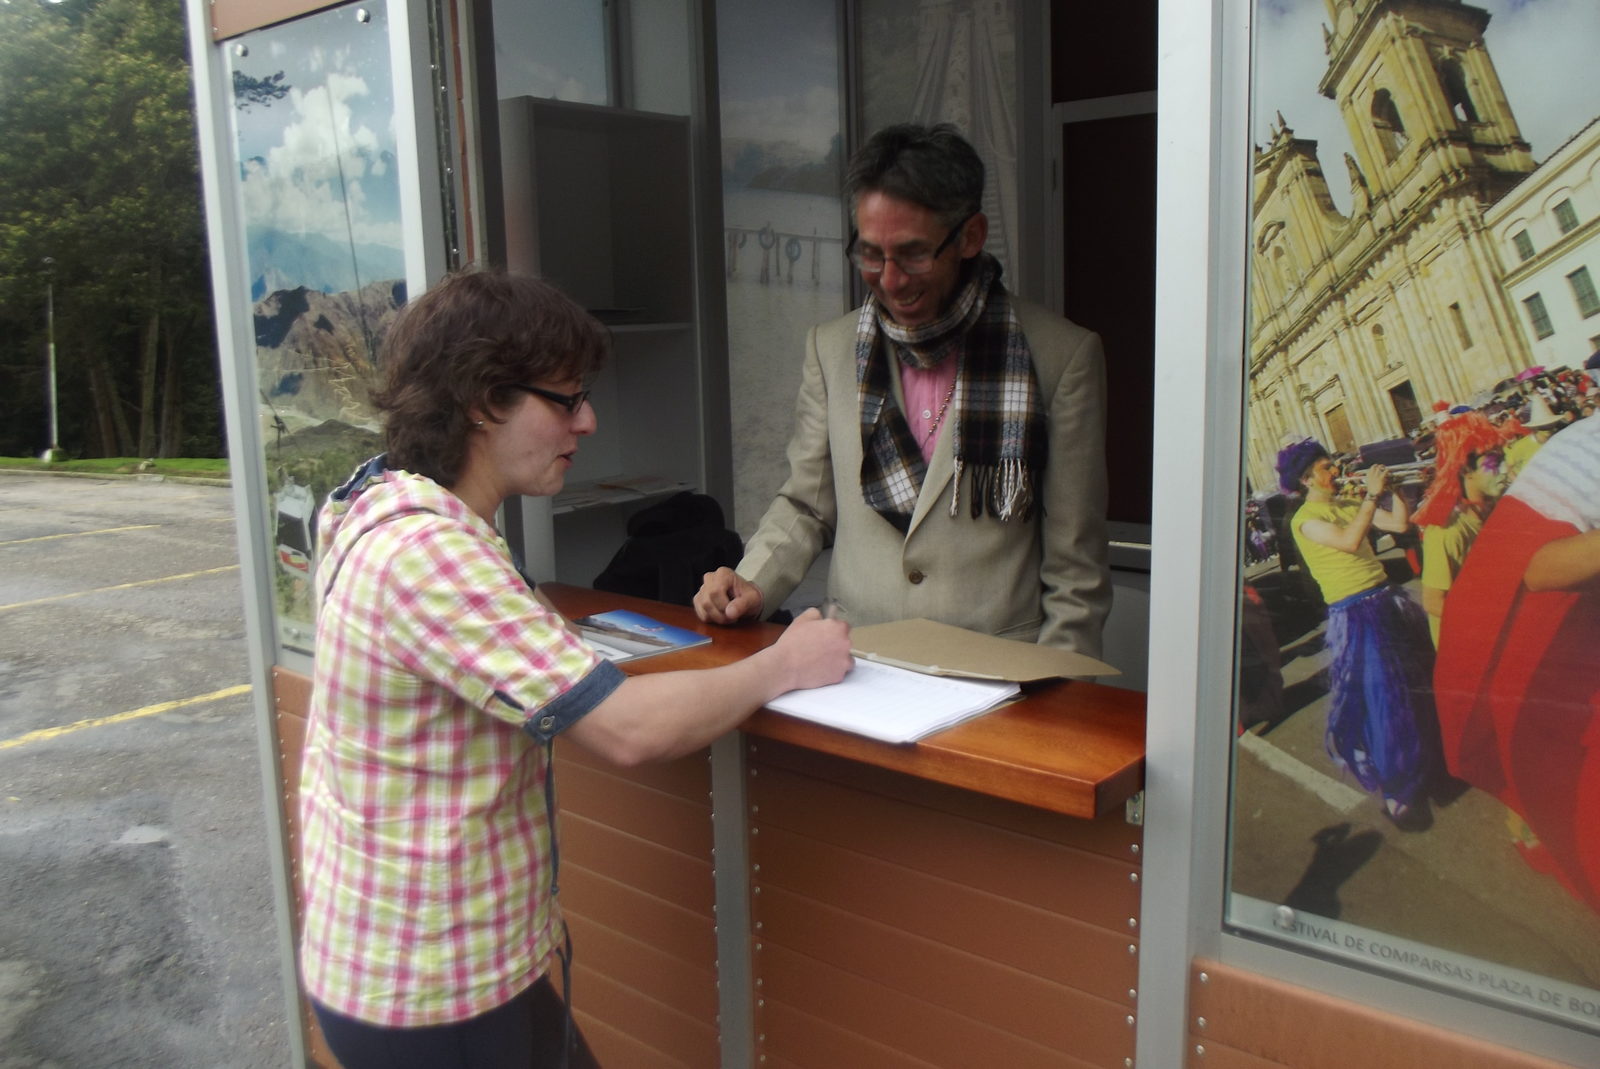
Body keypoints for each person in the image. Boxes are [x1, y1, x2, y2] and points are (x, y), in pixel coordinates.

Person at [296, 268, 853, 1069]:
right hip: (434, 989)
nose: (587, 421)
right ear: (484, 399)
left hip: (430, 964)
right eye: (566, 400)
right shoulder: (430, 554)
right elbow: (627, 731)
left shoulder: (381, 501)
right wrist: (785, 660)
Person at [693, 123, 1110, 654]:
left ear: (971, 236)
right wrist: (752, 581)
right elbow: (806, 505)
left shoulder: (1062, 357)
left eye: (913, 254)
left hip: (1000, 675)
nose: (890, 280)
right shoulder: (831, 348)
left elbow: (1076, 573)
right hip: (856, 660)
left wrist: (1061, 692)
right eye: (871, 254)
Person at [1434, 412, 1600, 911]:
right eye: (1488, 460)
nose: (1501, 465)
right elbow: (1442, 597)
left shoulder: (1490, 508)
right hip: (1517, 644)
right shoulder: (1447, 528)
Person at [1277, 438, 1438, 826]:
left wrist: (1394, 491)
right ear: (1305, 479)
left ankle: (1428, 760)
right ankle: (1397, 787)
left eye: (1331, 464)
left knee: (1419, 682)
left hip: (1387, 599)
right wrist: (1371, 496)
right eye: (1325, 467)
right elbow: (1350, 542)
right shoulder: (1304, 520)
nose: (1334, 470)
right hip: (1355, 613)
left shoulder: (1347, 503)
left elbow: (1399, 524)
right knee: (1383, 699)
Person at [1411, 410, 1512, 646]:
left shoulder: (1493, 508)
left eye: (1502, 459)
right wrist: (1489, 623)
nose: (1504, 469)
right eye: (1493, 462)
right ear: (1465, 470)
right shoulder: (1447, 531)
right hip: (1468, 643)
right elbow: (1433, 601)